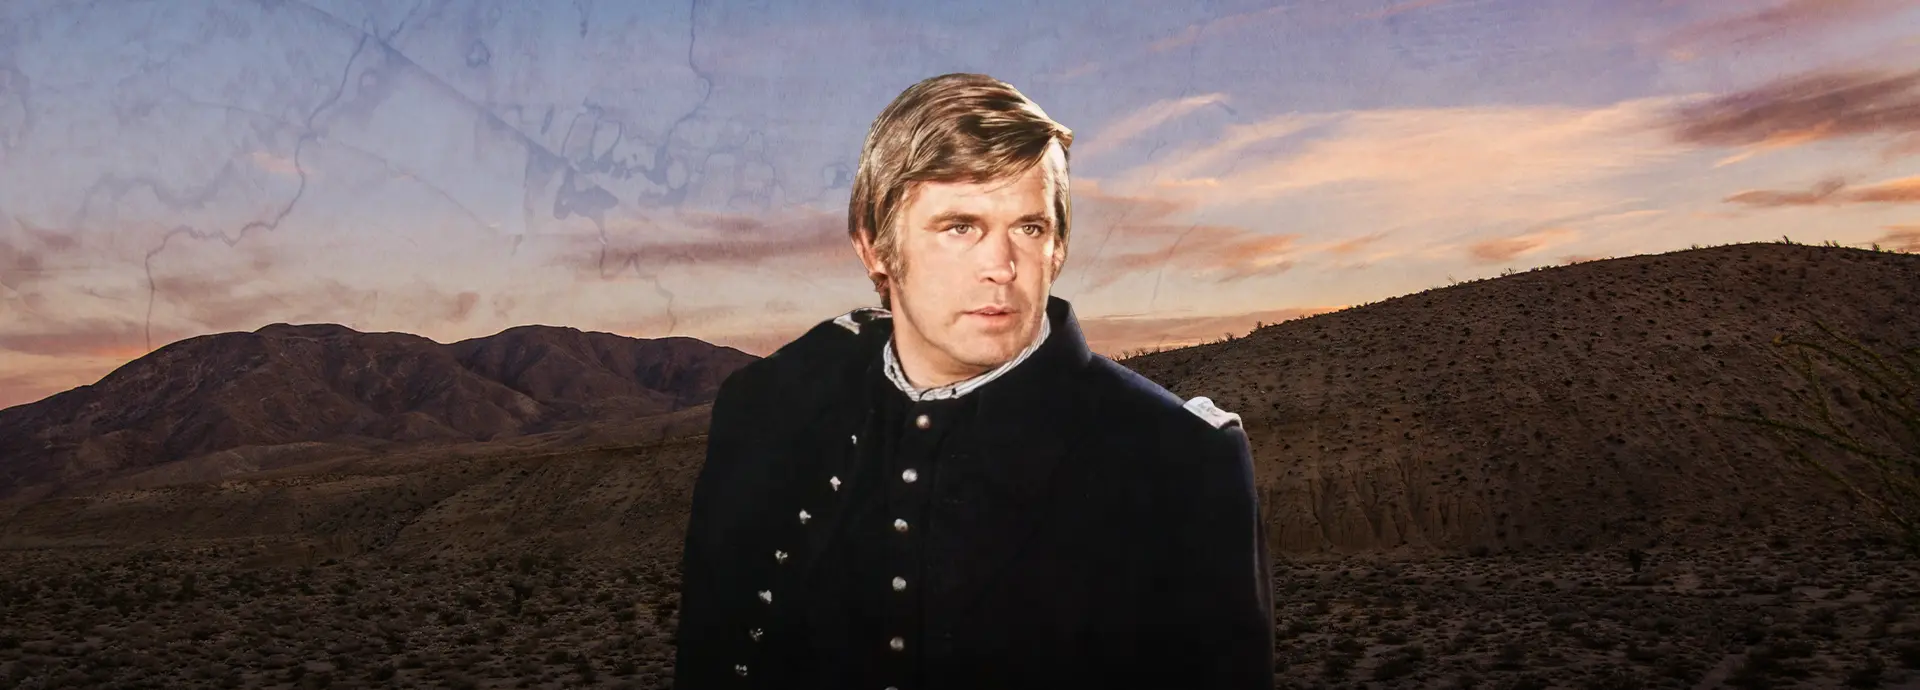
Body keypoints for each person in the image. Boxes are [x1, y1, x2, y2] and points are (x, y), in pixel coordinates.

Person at [674, 72, 1273, 689]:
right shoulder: (768, 410)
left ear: (1058, 248)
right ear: (874, 247)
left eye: (1029, 228)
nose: (1002, 267)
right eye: (960, 227)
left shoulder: (1180, 460)